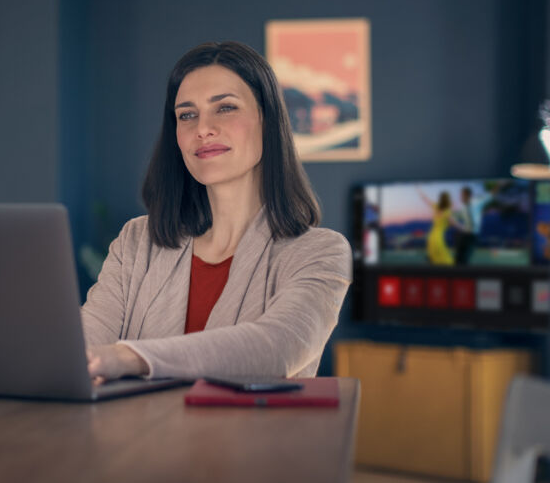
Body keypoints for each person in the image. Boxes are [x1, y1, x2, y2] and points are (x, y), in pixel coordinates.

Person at [80, 41, 352, 382]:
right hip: (136, 435)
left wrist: (128, 356)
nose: (202, 128)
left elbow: (276, 349)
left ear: (267, 121)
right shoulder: (137, 241)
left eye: (225, 108)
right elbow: (84, 342)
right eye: (187, 114)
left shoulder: (320, 252)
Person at [416, 187, 457, 266]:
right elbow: (453, 223)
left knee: (434, 259)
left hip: (431, 236)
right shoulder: (448, 212)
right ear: (448, 199)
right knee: (445, 260)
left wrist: (419, 189)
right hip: (438, 238)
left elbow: (425, 199)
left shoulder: (436, 206)